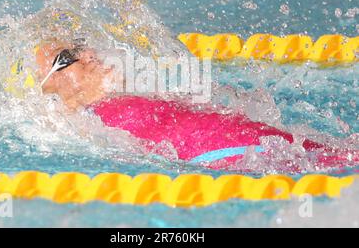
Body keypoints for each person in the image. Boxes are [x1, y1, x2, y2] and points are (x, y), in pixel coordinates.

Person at [35, 39, 358, 171]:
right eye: (67, 58)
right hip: (247, 159)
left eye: (81, 45)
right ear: (53, 82)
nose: (88, 53)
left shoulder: (127, 101)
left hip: (275, 148)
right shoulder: (83, 124)